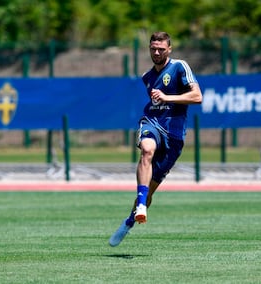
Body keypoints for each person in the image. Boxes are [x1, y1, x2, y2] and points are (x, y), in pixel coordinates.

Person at [109, 31, 203, 247]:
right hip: (152, 122)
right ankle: (141, 205)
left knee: (151, 189)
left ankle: (129, 221)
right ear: (149, 49)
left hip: (174, 135)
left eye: (161, 49)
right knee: (147, 150)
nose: (157, 52)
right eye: (153, 49)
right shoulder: (147, 77)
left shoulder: (180, 67)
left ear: (169, 49)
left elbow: (197, 96)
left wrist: (168, 97)